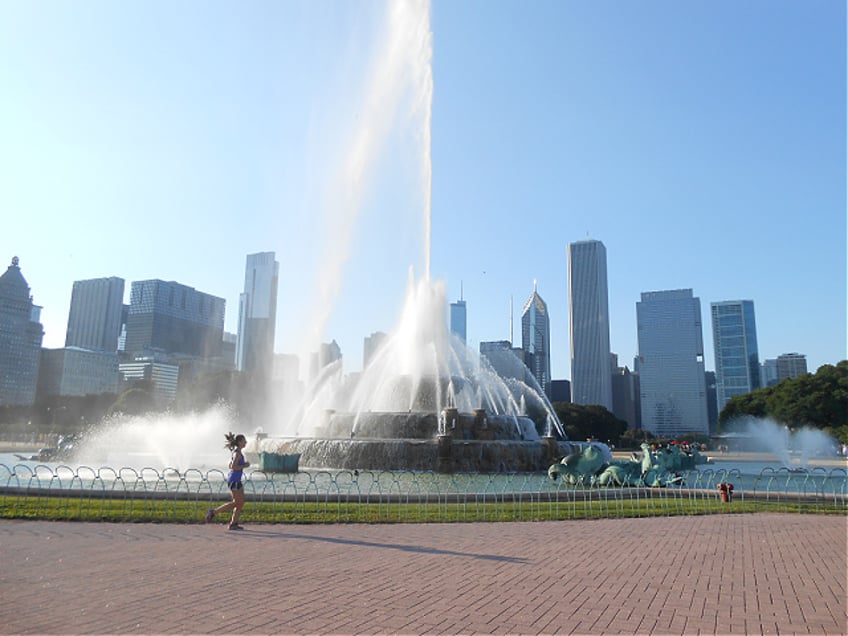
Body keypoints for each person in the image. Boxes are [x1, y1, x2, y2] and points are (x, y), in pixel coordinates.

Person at [205, 432, 250, 530]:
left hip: (236, 480)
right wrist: (244, 465)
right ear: (239, 442)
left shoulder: (237, 452)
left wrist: (241, 465)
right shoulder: (237, 453)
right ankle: (213, 512)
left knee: (240, 502)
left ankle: (234, 523)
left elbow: (230, 465)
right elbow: (234, 466)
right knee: (236, 503)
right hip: (234, 480)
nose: (245, 442)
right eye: (244, 441)